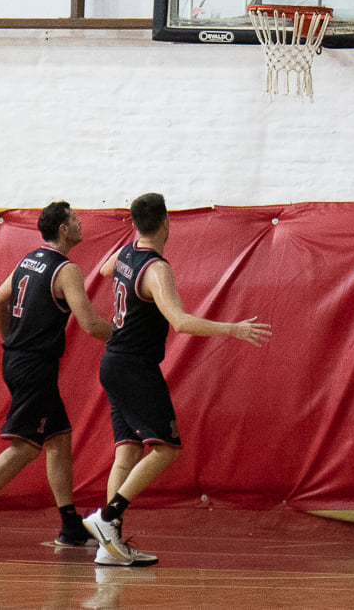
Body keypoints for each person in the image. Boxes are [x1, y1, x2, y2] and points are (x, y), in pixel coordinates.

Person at [82, 193, 272, 567]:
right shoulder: (156, 269)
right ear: (167, 223)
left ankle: (109, 546)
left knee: (128, 451)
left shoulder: (124, 254)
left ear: (136, 225)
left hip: (113, 362)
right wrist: (232, 328)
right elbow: (180, 321)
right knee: (167, 449)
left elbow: (105, 271)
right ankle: (107, 518)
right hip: (135, 366)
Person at [0, 201, 112, 546]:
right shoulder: (65, 270)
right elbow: (92, 325)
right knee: (25, 445)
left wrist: (13, 341)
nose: (81, 224)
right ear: (63, 229)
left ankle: (69, 525)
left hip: (20, 360)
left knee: (58, 440)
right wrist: (128, 335)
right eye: (75, 220)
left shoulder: (28, 260)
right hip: (34, 366)